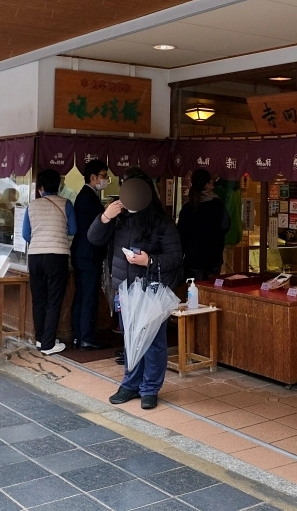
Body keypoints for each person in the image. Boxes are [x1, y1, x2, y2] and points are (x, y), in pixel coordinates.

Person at [88, 167, 182, 410]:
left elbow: (175, 256)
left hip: (153, 289)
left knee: (153, 341)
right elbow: (93, 238)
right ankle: (130, 384)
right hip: (125, 289)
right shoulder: (117, 217)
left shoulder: (161, 222)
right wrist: (105, 217)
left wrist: (149, 260)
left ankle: (150, 388)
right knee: (130, 337)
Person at [22, 169, 76, 356]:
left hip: (35, 256)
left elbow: (26, 235)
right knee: (54, 300)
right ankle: (48, 344)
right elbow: (73, 230)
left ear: (41, 188)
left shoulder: (32, 206)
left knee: (39, 299)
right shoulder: (66, 203)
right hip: (57, 255)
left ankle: (40, 339)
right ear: (59, 186)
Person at [70, 158, 110, 350]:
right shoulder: (88, 197)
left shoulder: (86, 195)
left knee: (82, 295)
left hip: (82, 253)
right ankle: (86, 336)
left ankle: (79, 335)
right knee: (88, 296)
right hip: (89, 254)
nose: (107, 180)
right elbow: (100, 225)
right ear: (93, 177)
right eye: (104, 176)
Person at [177, 168, 231, 282]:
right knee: (211, 293)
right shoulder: (217, 204)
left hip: (192, 260)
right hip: (213, 259)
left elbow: (181, 235)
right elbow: (226, 225)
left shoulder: (187, 207)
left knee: (193, 293)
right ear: (208, 184)